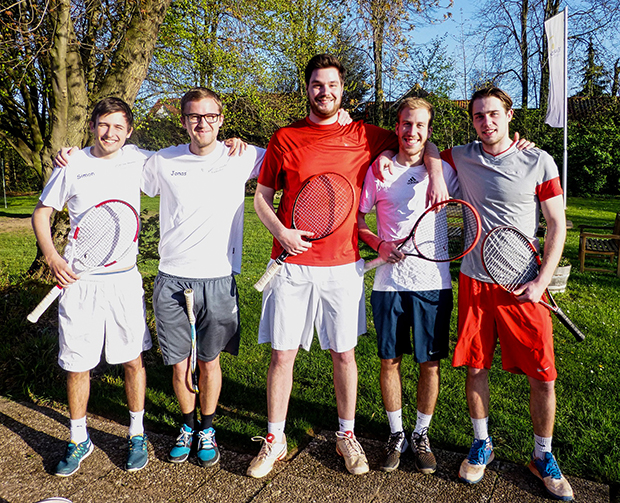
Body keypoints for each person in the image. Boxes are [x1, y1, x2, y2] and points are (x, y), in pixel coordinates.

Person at [247, 54, 449, 479]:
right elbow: (261, 197)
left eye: (333, 85)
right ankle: (274, 440)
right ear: (307, 88)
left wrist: (434, 171)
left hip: (342, 266)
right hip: (291, 265)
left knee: (345, 354)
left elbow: (418, 137)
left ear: (343, 88)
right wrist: (281, 233)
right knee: (282, 355)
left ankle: (346, 435)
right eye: (318, 85)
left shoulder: (364, 134)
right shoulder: (284, 137)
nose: (325, 92)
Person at [440, 87, 573, 501]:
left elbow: (557, 225)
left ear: (510, 115)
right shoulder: (462, 156)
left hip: (524, 285)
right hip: (476, 282)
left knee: (543, 376)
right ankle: (482, 444)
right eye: (479, 116)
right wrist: (432, 174)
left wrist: (541, 282)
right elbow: (420, 146)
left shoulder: (540, 160)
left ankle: (542, 456)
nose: (486, 122)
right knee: (475, 368)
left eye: (494, 114)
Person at [141, 87, 265, 468]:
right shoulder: (163, 160)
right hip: (172, 278)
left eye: (210, 116)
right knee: (179, 364)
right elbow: (114, 158)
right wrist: (73, 155)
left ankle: (208, 429)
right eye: (194, 116)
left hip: (218, 278)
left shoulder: (241, 156)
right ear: (183, 121)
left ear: (221, 119)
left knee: (209, 361)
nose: (202, 123)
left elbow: (294, 154)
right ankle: (187, 426)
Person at [32, 97, 152, 476]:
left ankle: (137, 433)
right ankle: (78, 438)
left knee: (133, 360)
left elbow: (188, 155)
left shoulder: (139, 159)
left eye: (119, 126)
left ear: (129, 131)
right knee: (77, 365)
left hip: (124, 283)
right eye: (104, 124)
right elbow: (41, 213)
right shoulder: (73, 164)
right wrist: (53, 257)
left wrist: (231, 144)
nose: (110, 133)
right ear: (93, 126)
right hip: (80, 285)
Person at [358, 97, 459, 474]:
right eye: (405, 124)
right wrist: (378, 244)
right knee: (390, 361)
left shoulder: (445, 170)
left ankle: (421, 433)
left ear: (428, 130)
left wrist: (433, 169)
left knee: (429, 363)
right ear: (396, 127)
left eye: (419, 126)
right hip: (388, 284)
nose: (411, 132)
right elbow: (359, 219)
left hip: (434, 283)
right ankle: (396, 434)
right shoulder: (378, 170)